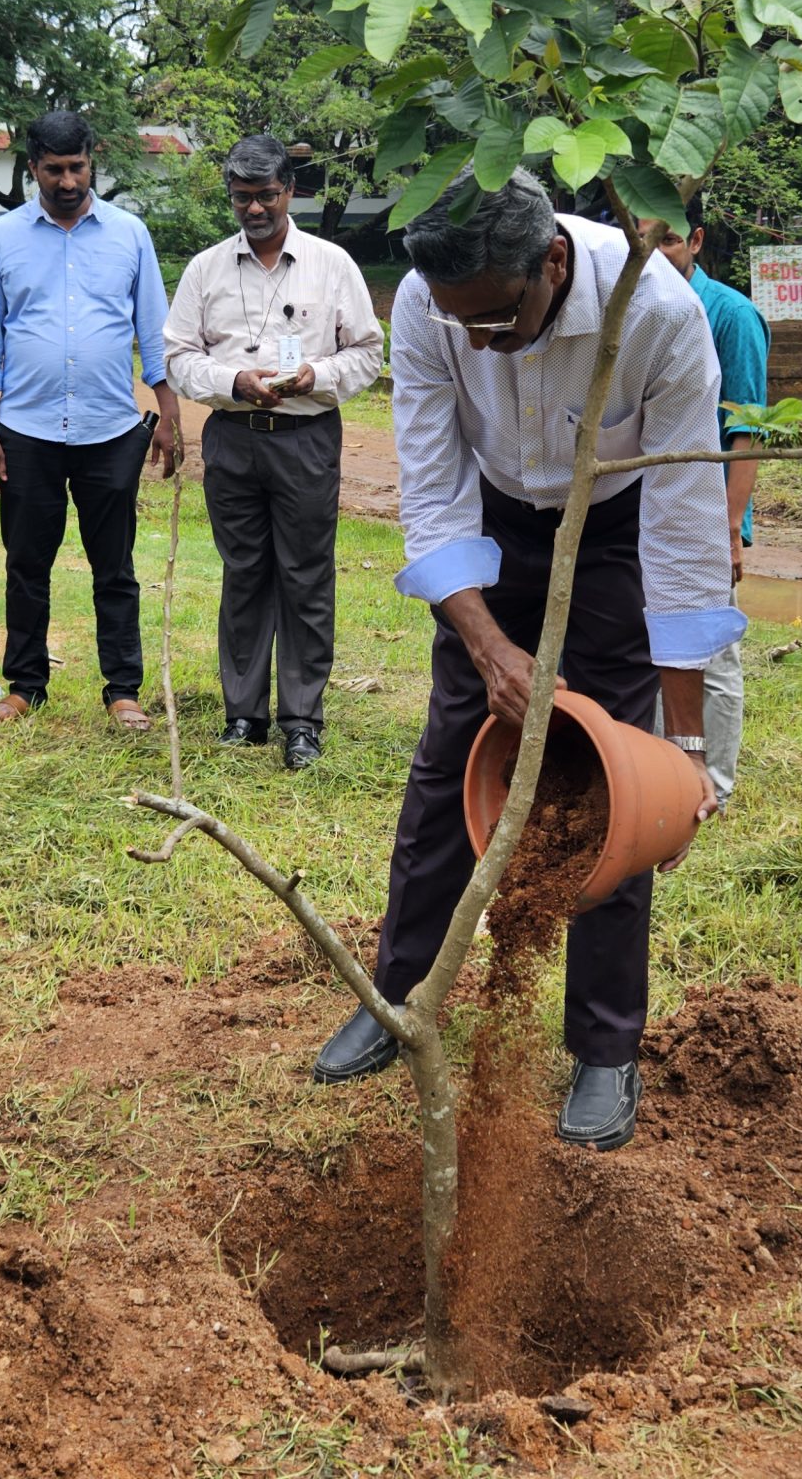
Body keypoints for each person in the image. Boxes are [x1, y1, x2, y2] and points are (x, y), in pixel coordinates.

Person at [310, 170, 737, 1152]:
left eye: (496, 324)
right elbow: (432, 479)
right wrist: (486, 642)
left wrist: (681, 740)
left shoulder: (658, 316)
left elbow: (681, 532)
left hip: (618, 525)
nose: (476, 343)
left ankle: (602, 1048)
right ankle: (400, 996)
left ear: (551, 262)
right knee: (448, 760)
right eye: (460, 325)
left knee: (611, 787)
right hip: (493, 528)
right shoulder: (431, 302)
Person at [160, 134, 384, 769]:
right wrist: (233, 383)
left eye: (266, 195)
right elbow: (177, 356)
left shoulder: (331, 264)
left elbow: (368, 351)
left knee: (306, 575)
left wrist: (316, 375)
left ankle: (302, 720)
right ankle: (243, 715)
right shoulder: (205, 269)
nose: (254, 209)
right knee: (246, 573)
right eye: (241, 197)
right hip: (233, 441)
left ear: (291, 191)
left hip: (306, 439)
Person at [0, 111, 184, 731]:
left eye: (78, 167)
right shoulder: (0, 239)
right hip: (26, 432)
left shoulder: (129, 233)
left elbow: (152, 333)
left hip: (112, 430)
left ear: (93, 164)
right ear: (32, 167)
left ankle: (123, 691)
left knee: (115, 567)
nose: (68, 180)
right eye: (54, 169)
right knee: (26, 563)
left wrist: (168, 413)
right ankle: (25, 686)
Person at [648, 207, 769, 803]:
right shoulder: (637, 307)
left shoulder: (732, 314)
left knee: (711, 652)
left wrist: (728, 531)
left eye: (668, 240)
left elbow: (747, 431)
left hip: (705, 512)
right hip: (648, 507)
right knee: (655, 641)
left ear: (696, 240)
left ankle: (711, 785)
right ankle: (656, 767)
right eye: (643, 239)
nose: (655, 252)